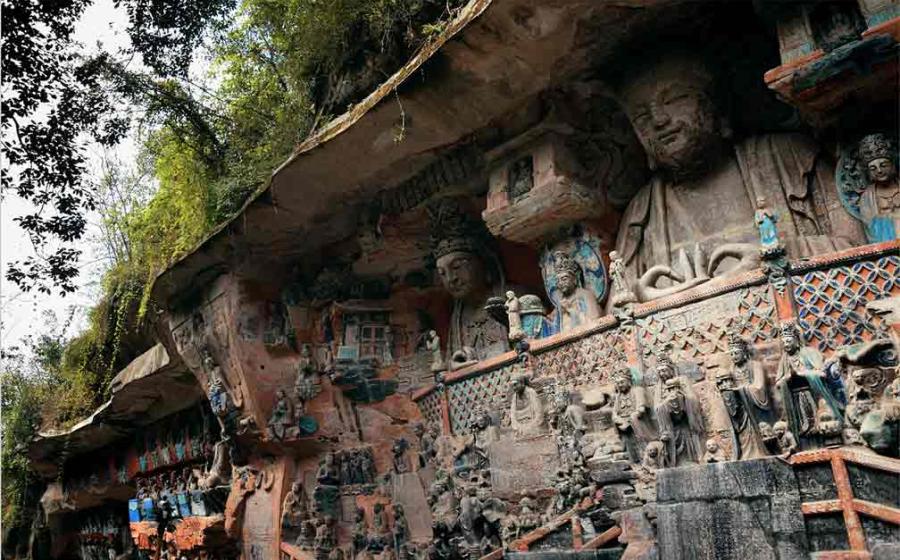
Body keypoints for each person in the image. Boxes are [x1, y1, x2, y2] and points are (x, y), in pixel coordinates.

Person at [612, 50, 864, 301]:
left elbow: (862, 247)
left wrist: (775, 256)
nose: (659, 120)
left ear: (717, 107)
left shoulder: (789, 158)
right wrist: (641, 296)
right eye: (642, 116)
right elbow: (618, 308)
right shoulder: (641, 213)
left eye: (674, 99)